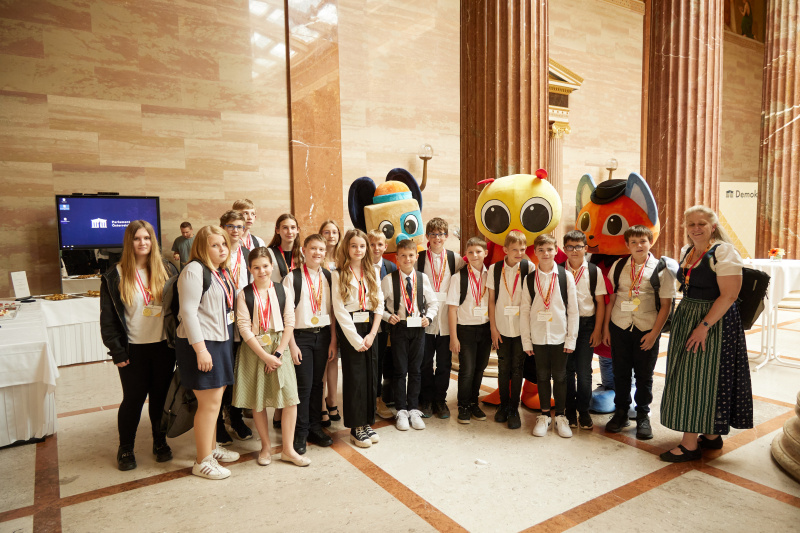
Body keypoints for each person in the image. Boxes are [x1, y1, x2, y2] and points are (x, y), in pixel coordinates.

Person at [659, 206, 753, 462]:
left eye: (701, 223)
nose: (695, 228)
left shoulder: (723, 251)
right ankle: (711, 435)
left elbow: (730, 295)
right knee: (696, 376)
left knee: (697, 379)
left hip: (713, 322)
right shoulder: (687, 251)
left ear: (713, 226)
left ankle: (690, 445)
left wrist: (704, 326)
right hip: (689, 316)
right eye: (690, 223)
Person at [100, 220, 177, 471]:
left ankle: (159, 441)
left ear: (153, 241)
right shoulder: (115, 275)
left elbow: (178, 310)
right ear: (129, 242)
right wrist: (117, 351)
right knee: (132, 400)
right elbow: (108, 319)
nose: (142, 243)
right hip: (133, 349)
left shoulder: (167, 269)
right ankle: (125, 448)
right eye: (137, 238)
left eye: (147, 238)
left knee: (159, 399)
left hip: (164, 347)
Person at [232, 247, 309, 467]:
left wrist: (277, 352)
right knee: (259, 401)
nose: (261, 271)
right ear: (249, 268)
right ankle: (265, 447)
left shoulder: (282, 290)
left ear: (272, 266)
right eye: (256, 267)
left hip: (279, 347)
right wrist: (265, 356)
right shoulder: (244, 294)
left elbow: (289, 321)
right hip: (255, 349)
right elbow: (244, 328)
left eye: (265, 266)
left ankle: (288, 449)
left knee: (290, 399)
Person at [175, 225, 240, 480]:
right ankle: (201, 461)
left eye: (224, 244)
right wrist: (201, 350)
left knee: (216, 401)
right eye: (215, 245)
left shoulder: (220, 272)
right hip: (202, 344)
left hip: (220, 341)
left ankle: (210, 449)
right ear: (203, 246)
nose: (222, 248)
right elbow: (188, 313)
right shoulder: (194, 270)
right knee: (208, 404)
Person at [602, 225, 676, 440]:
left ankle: (643, 414)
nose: (638, 246)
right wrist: (607, 327)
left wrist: (654, 334)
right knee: (621, 373)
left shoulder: (661, 269)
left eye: (642, 241)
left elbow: (666, 305)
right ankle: (621, 412)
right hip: (620, 326)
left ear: (650, 242)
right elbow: (613, 298)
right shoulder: (618, 266)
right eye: (633, 242)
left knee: (644, 376)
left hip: (646, 329)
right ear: (627, 245)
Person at [521, 234, 579, 438]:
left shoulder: (565, 276)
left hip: (559, 335)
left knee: (561, 376)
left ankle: (561, 416)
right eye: (541, 250)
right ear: (535, 252)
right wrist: (526, 340)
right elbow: (525, 311)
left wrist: (571, 338)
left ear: (556, 250)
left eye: (549, 249)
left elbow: (573, 310)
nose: (545, 253)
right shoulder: (529, 279)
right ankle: (544, 415)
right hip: (538, 336)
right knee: (542, 375)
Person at [331, 229, 384, 448]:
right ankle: (355, 427)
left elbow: (379, 303)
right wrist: (355, 339)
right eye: (354, 246)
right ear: (347, 248)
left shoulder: (371, 271)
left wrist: (372, 334)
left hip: (370, 326)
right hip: (350, 328)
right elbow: (339, 309)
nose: (359, 250)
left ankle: (367, 421)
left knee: (371, 376)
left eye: (362, 246)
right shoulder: (338, 273)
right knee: (355, 378)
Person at [285, 235, 337, 454]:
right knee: (304, 387)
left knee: (318, 384)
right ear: (304, 250)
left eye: (321, 249)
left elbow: (333, 312)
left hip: (323, 335)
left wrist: (333, 339)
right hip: (301, 337)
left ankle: (316, 427)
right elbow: (287, 314)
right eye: (313, 248)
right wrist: (292, 345)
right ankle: (301, 431)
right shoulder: (292, 278)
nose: (317, 252)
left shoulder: (329, 276)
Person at [381, 239, 439, 430]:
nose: (407, 259)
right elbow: (378, 306)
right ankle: (401, 411)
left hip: (418, 329)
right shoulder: (389, 280)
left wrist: (428, 318)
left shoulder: (423, 279)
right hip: (399, 329)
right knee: (400, 370)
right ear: (396, 258)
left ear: (416, 257)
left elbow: (433, 303)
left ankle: (413, 408)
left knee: (416, 370)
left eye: (411, 255)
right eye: (403, 255)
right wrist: (388, 316)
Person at [487, 230, 534, 429]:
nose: (519, 253)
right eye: (514, 249)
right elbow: (490, 300)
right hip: (502, 327)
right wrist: (493, 329)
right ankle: (503, 406)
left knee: (518, 369)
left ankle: (514, 408)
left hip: (522, 328)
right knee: (503, 367)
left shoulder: (529, 267)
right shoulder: (495, 269)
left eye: (522, 249)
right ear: (505, 249)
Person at [418, 218, 464, 419]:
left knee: (445, 363)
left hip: (447, 318)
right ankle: (426, 399)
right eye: (433, 234)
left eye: (441, 234)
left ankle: (440, 399)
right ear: (427, 236)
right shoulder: (419, 258)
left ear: (446, 236)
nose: (437, 238)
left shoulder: (456, 259)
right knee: (425, 361)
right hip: (426, 318)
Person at [563, 230, 606, 430]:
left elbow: (600, 302)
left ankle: (584, 411)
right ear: (564, 249)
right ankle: (569, 411)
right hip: (562, 326)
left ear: (585, 249)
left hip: (586, 324)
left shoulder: (593, 271)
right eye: (570, 247)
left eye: (578, 246)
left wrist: (598, 330)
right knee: (566, 370)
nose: (574, 251)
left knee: (584, 370)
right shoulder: (558, 270)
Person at [216, 211, 253, 444]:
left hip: (243, 320)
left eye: (239, 226)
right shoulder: (217, 252)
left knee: (238, 373)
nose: (235, 230)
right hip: (221, 321)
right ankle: (218, 422)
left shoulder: (248, 255)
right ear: (222, 227)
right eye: (230, 226)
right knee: (221, 373)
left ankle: (235, 415)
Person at [446, 237, 491, 424]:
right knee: (467, 370)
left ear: (485, 253)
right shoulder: (458, 278)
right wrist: (453, 337)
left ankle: (474, 402)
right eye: (470, 252)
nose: (474, 255)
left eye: (478, 251)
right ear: (466, 254)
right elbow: (452, 309)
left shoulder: (492, 275)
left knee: (480, 368)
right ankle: (463, 405)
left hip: (486, 329)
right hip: (465, 329)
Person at [368, 229, 397, 419]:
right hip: (367, 321)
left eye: (380, 244)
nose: (376, 248)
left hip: (387, 323)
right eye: (372, 244)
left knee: (385, 362)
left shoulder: (391, 267)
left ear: (385, 247)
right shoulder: (361, 266)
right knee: (370, 363)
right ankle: (370, 400)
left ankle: (381, 399)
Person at [320, 220, 345, 426]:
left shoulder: (343, 259)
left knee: (334, 359)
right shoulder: (315, 257)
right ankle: (320, 405)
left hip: (339, 314)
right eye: (326, 232)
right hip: (319, 313)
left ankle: (333, 401)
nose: (331, 236)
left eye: (334, 232)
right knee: (321, 360)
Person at [267, 213, 302, 283]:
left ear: (297, 230)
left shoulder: (303, 253)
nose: (289, 232)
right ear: (277, 230)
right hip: (276, 292)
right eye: (285, 228)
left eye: (293, 227)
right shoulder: (268, 253)